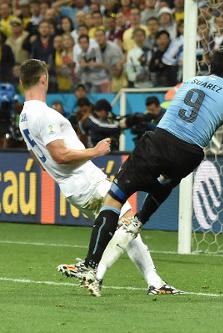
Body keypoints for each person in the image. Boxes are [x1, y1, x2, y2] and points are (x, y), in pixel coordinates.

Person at [66, 48, 223, 296]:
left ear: (210, 67)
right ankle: (140, 220)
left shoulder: (190, 82)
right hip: (188, 155)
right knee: (165, 180)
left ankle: (91, 266)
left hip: (159, 141)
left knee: (114, 198)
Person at [18, 59, 178, 297]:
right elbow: (60, 155)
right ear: (44, 79)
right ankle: (97, 269)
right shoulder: (45, 114)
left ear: (21, 82)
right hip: (85, 181)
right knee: (129, 221)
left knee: (125, 224)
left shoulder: (23, 117)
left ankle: (148, 279)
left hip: (72, 187)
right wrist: (96, 151)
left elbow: (41, 159)